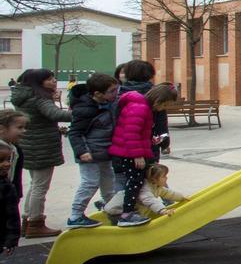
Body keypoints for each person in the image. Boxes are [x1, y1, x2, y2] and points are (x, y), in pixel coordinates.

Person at [10, 69, 72, 237]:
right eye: (49, 79)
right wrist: (81, 113)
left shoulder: (23, 96)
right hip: (42, 146)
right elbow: (56, 114)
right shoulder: (39, 98)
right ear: (38, 82)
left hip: (30, 145)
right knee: (40, 186)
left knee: (35, 184)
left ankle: (27, 221)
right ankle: (36, 223)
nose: (54, 81)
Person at [110, 83, 178, 227]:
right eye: (165, 105)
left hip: (130, 151)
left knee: (137, 181)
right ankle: (127, 214)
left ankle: (126, 210)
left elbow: (140, 133)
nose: (163, 109)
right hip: (129, 152)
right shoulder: (140, 108)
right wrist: (138, 155)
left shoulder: (143, 107)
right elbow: (131, 133)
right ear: (158, 101)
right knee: (135, 182)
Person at [64, 73, 120, 229]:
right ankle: (75, 216)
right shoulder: (85, 109)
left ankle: (113, 210)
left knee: (109, 183)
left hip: (104, 153)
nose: (115, 93)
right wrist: (82, 151)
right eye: (111, 91)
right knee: (90, 183)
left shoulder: (108, 105)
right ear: (97, 93)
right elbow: (75, 133)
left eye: (116, 90)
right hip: (89, 154)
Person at [103, 163, 188, 221]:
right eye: (164, 176)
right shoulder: (145, 189)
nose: (166, 178)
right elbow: (150, 201)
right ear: (154, 179)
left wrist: (182, 197)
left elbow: (168, 193)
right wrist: (163, 210)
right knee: (135, 219)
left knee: (139, 214)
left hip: (126, 210)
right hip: (117, 211)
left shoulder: (156, 186)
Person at [0, 146, 19, 255]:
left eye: (8, 159)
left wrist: (11, 240)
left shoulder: (7, 186)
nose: (7, 164)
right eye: (1, 161)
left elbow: (12, 215)